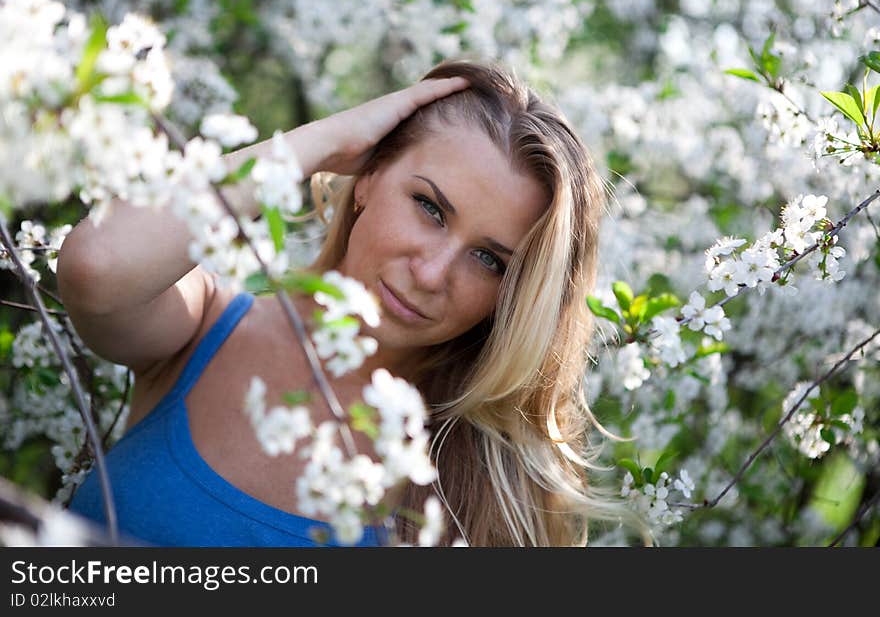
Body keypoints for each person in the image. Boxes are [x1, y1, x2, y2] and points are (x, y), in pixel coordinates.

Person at [58, 59, 625, 547]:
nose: (430, 274)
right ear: (368, 176)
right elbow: (97, 265)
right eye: (429, 207)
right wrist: (326, 141)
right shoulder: (203, 326)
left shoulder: (477, 488)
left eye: (489, 260)